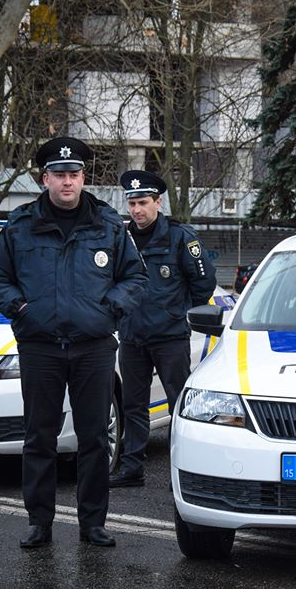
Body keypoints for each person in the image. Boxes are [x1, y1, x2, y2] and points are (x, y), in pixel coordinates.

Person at [0, 137, 148, 549]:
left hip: (93, 346)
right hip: (40, 346)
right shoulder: (20, 225)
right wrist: (21, 308)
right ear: (45, 179)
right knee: (40, 437)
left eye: (73, 174)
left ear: (83, 177)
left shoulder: (109, 224)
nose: (67, 182)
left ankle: (93, 523)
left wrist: (110, 308)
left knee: (94, 438)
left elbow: (135, 278)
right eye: (59, 175)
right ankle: (40, 522)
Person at [109, 171, 216, 488]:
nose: (137, 210)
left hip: (169, 337)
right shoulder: (121, 239)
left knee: (178, 405)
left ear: (158, 202)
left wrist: (179, 314)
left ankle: (181, 469)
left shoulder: (181, 237)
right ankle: (132, 468)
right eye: (132, 203)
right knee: (133, 405)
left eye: (143, 202)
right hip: (132, 337)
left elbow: (203, 283)